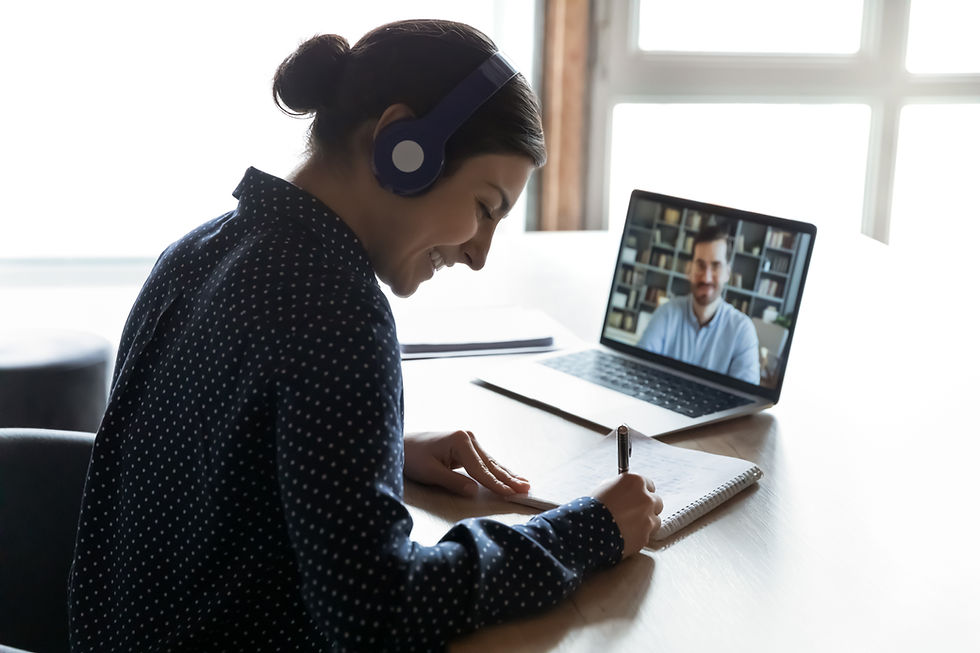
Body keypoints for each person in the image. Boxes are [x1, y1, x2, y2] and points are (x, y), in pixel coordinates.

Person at [68, 20, 663, 652]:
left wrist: (361, 455)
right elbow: (379, 610)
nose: (480, 253)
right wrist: (588, 530)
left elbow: (202, 451)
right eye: (486, 207)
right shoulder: (334, 307)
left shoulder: (199, 251)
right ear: (402, 146)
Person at [637, 224, 760, 384]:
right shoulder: (666, 313)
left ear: (727, 273)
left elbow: (745, 401)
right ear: (689, 269)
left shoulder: (742, 329)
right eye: (700, 265)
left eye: (716, 266)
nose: (706, 278)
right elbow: (637, 370)